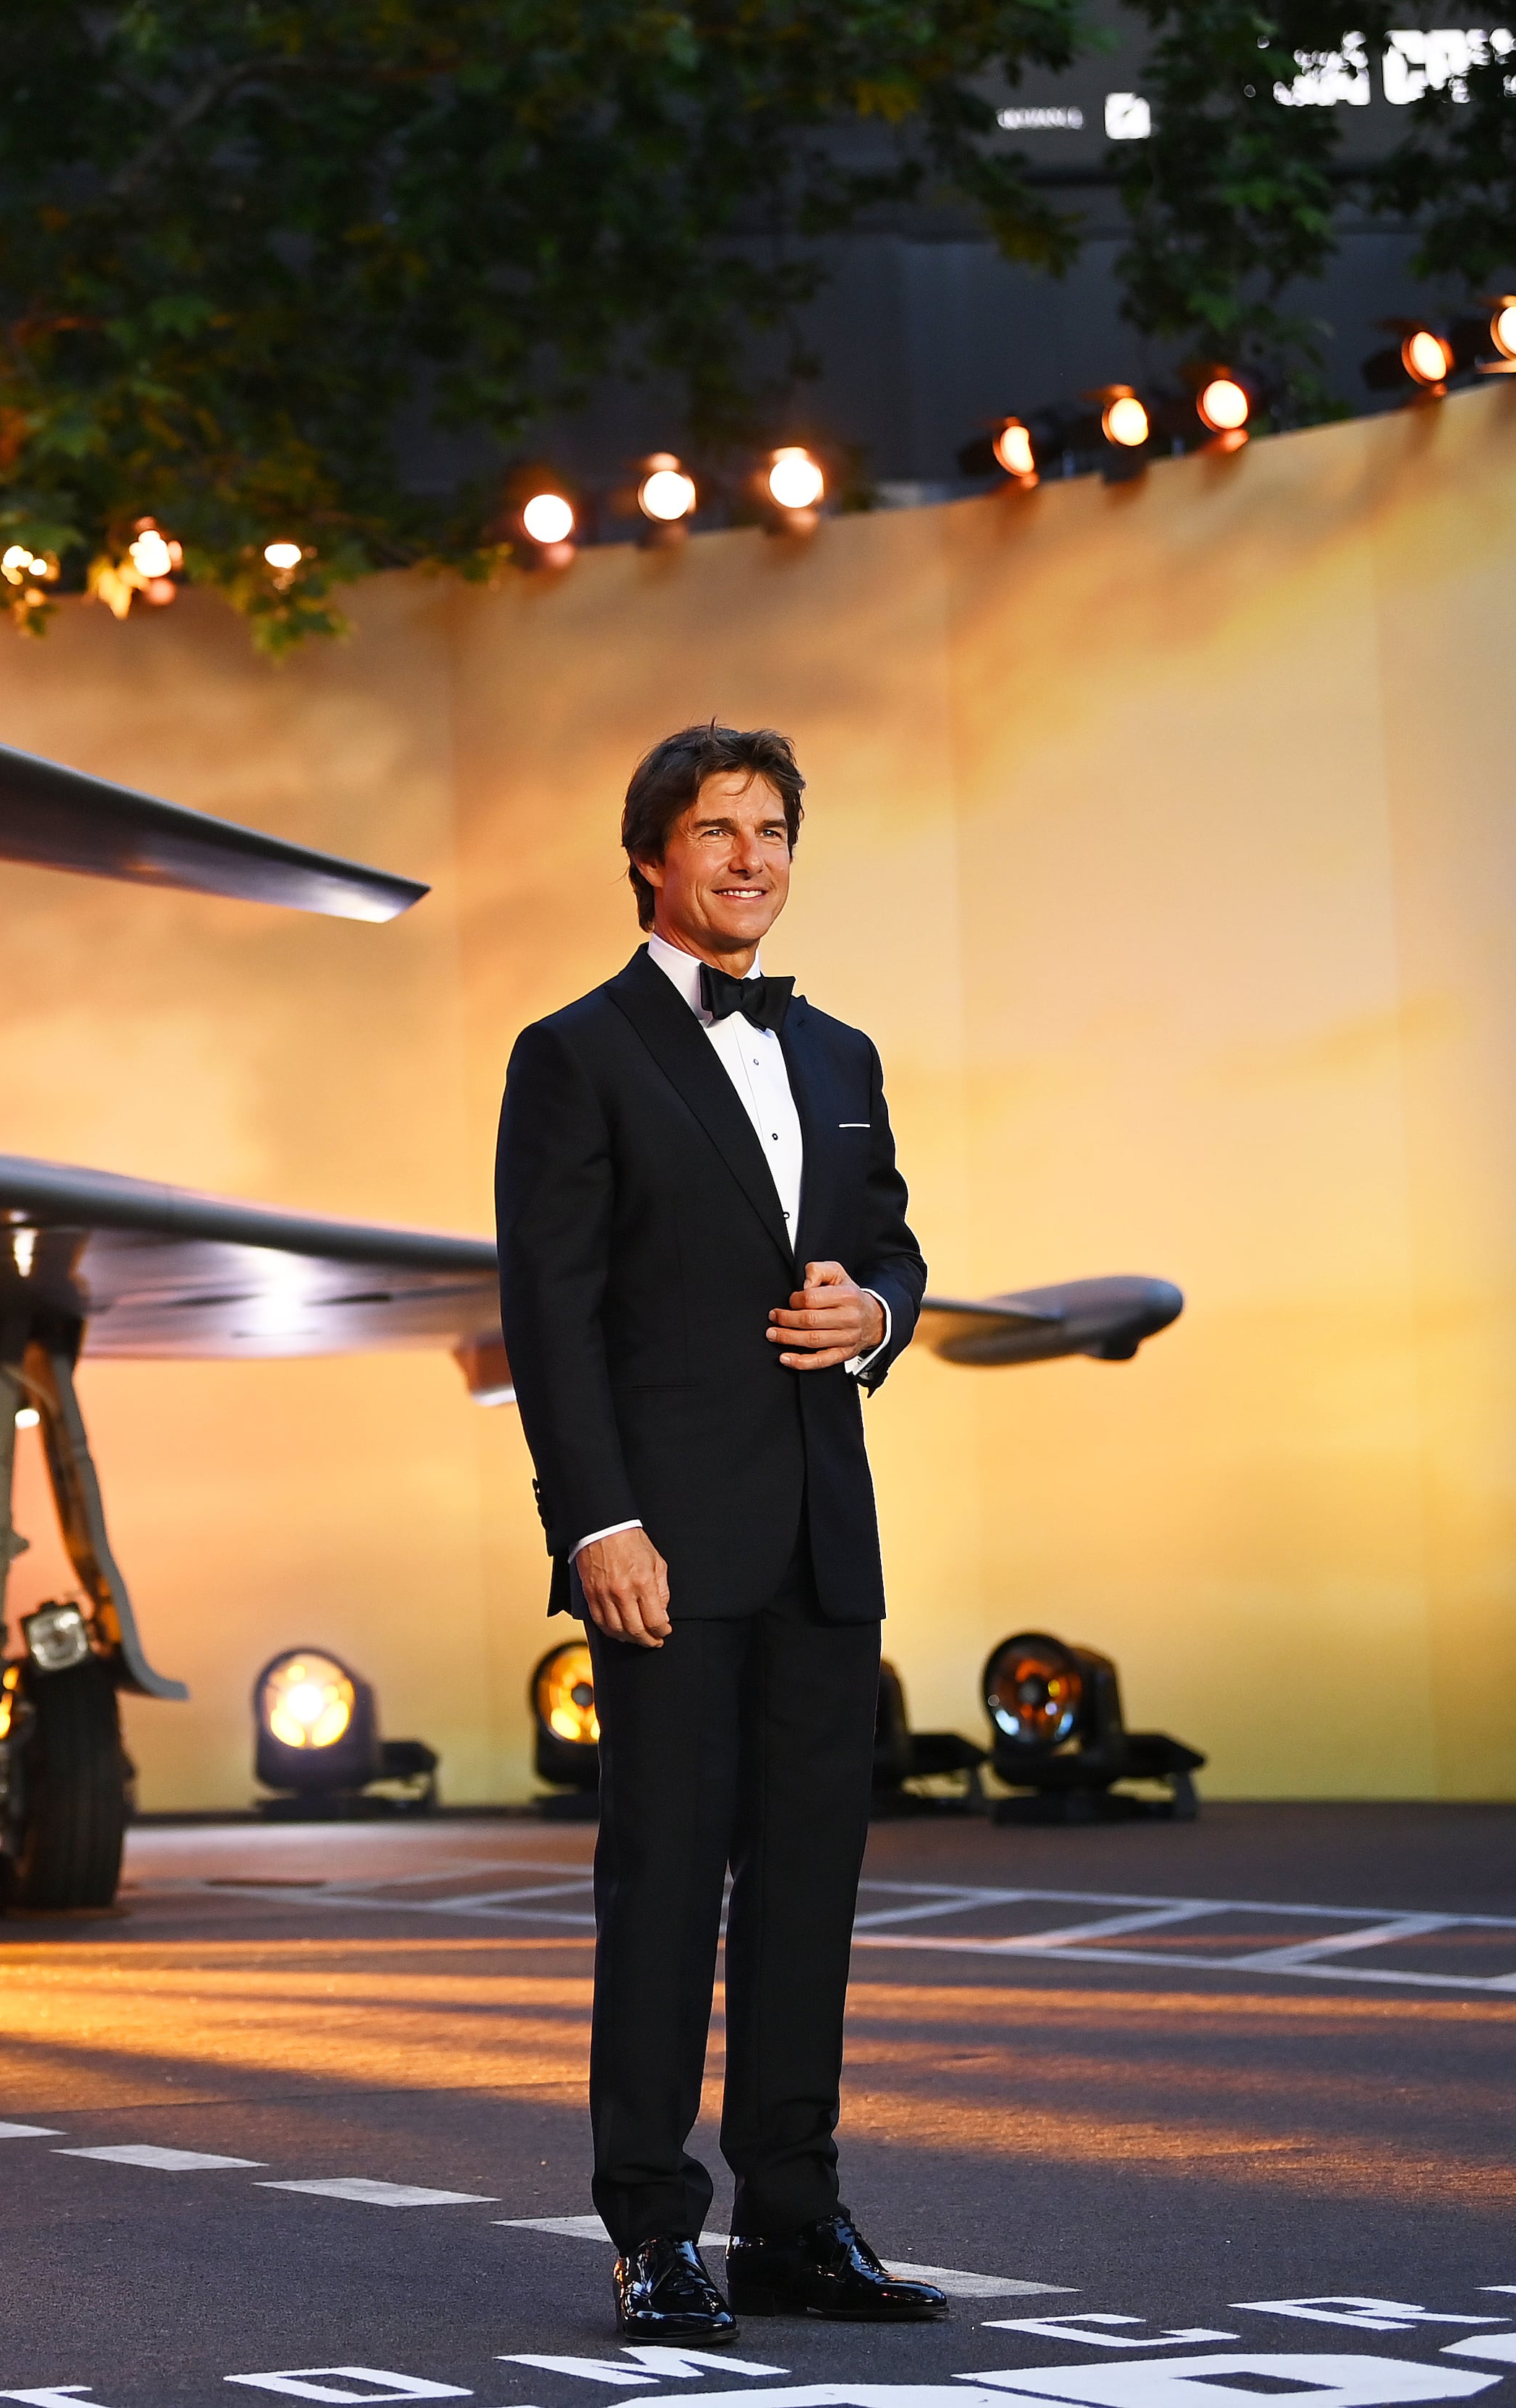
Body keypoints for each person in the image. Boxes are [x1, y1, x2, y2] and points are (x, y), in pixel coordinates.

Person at [493, 725, 947, 2341]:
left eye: (770, 831)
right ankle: (650, 2227)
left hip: (825, 1532)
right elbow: (547, 1314)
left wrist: (873, 1311)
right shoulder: (574, 1051)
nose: (748, 858)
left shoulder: (842, 1055)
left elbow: (889, 1243)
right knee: (667, 1882)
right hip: (663, 1548)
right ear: (649, 855)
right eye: (716, 831)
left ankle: (795, 2217)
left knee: (809, 1890)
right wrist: (595, 1521)